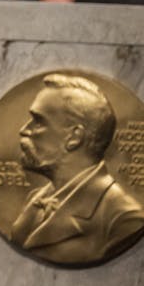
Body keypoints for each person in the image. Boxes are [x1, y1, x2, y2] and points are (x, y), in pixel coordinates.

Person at [11, 73, 144, 264]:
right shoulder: (35, 200)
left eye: (38, 121)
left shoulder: (123, 219)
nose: (24, 130)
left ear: (74, 137)